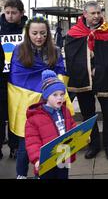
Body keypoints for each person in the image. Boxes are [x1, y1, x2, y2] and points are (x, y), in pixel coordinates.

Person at [8, 16, 67, 179]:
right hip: (27, 104)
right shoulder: (19, 50)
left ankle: (48, 173)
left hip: (50, 103)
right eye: (34, 33)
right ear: (28, 33)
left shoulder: (54, 50)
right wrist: (48, 86)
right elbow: (17, 78)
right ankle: (21, 174)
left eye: (43, 33)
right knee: (25, 144)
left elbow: (61, 72)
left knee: (52, 139)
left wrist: (53, 91)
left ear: (48, 33)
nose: (39, 37)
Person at [64, 1, 108, 161]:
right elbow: (71, 58)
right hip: (84, 80)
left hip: (105, 79)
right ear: (84, 14)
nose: (97, 16)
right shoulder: (74, 33)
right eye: (93, 13)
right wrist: (87, 69)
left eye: (99, 13)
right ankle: (94, 145)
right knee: (88, 115)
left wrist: (100, 68)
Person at [25, 70, 76, 179]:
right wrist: (38, 159)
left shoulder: (65, 111)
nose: (60, 98)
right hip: (46, 160)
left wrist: (82, 135)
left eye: (62, 94)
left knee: (63, 176)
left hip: (63, 155)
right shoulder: (34, 118)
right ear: (46, 96)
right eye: (55, 95)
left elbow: (72, 126)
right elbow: (32, 142)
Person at [0, 0, 27, 160]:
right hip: (1, 79)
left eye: (13, 13)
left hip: (19, 80)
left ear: (21, 13)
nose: (9, 16)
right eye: (7, 12)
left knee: (15, 115)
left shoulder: (27, 29)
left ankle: (15, 146)